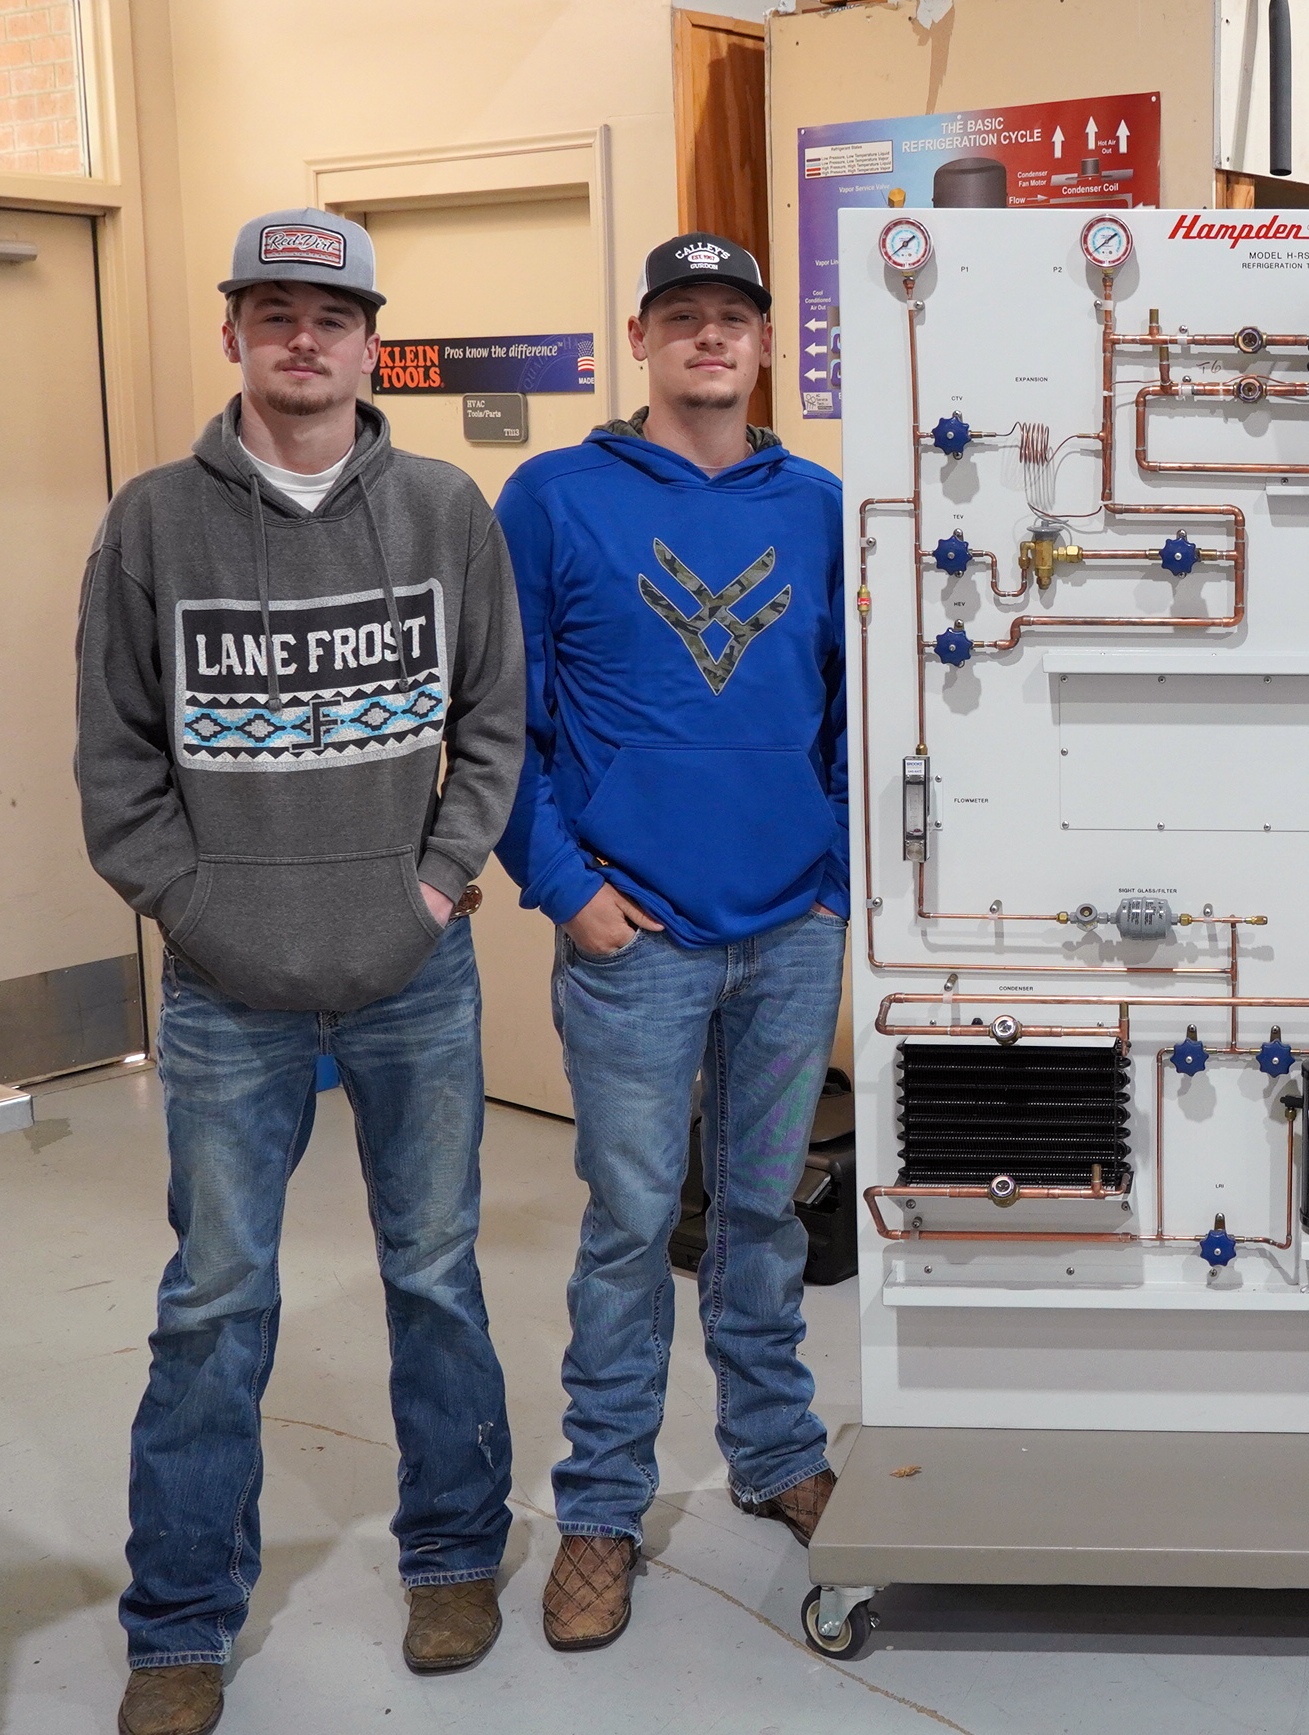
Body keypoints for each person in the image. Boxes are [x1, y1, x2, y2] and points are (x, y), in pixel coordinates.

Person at [76, 208, 525, 1735]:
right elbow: (118, 766)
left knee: (436, 1276)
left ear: (369, 342)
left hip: (413, 975)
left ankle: (457, 1554)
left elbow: (494, 725)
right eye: (273, 313)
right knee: (212, 1302)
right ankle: (181, 1624)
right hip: (222, 995)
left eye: (329, 316)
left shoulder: (448, 511)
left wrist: (437, 883)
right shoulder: (151, 524)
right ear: (235, 337)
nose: (303, 339)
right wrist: (201, 912)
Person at [492, 233, 848, 1654]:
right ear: (639, 337)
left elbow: (856, 712)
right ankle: (600, 1506)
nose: (710, 338)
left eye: (734, 318)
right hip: (627, 939)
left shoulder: (818, 503)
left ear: (763, 345)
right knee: (632, 1227)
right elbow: (499, 723)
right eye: (683, 316)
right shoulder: (554, 496)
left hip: (788, 933)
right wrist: (564, 887)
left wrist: (832, 881)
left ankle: (773, 1449)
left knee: (763, 1215)